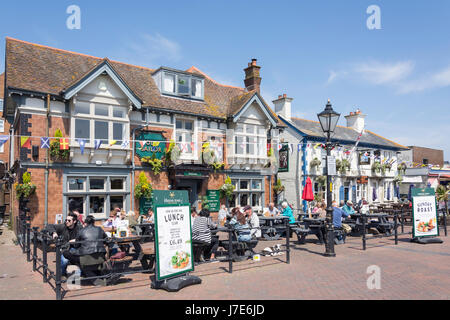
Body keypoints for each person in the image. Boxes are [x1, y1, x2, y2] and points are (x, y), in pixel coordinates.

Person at [63, 215, 113, 286]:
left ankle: (96, 279)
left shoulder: (81, 231)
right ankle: (97, 276)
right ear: (93, 223)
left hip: (86, 258)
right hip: (100, 256)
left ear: (85, 223)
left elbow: (77, 245)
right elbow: (106, 240)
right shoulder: (99, 229)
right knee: (81, 259)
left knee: (66, 253)